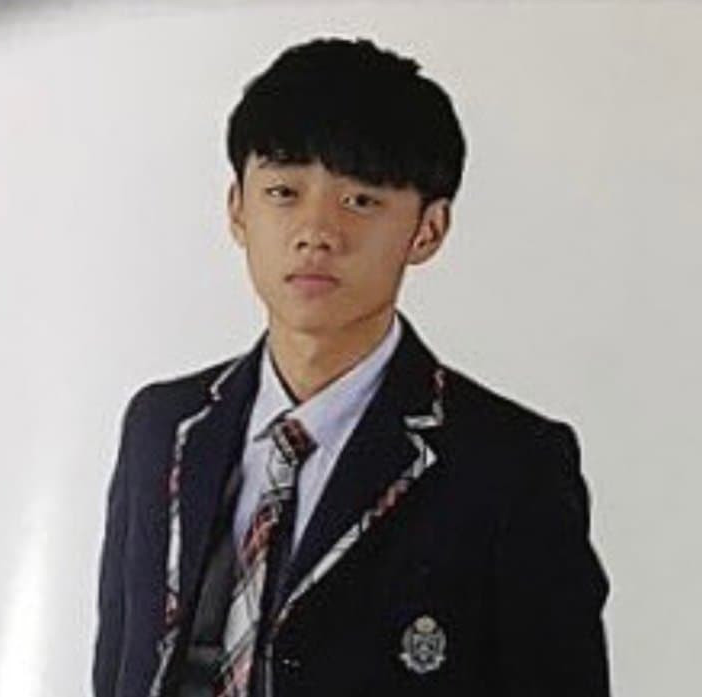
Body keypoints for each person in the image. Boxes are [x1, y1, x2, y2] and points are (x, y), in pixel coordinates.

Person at [92, 37, 611, 697]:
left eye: (361, 200)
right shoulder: (163, 425)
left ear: (428, 229)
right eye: (283, 191)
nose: (317, 231)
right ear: (237, 209)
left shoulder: (510, 466)